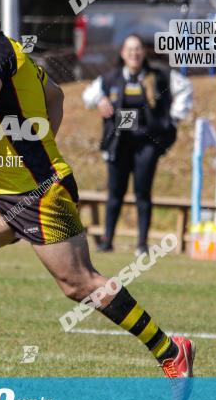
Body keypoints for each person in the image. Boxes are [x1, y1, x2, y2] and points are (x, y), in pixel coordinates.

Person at [0, 0, 194, 400]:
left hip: (41, 193)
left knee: (79, 285)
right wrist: (39, 142)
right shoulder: (12, 54)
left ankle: (171, 350)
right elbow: (56, 96)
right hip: (4, 192)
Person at [82, 35, 192, 255]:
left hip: (146, 143)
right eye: (130, 49)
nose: (134, 53)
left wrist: (174, 118)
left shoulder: (159, 76)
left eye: (138, 49)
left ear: (144, 53)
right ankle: (107, 240)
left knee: (143, 193)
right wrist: (100, 100)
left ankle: (142, 244)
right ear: (123, 53)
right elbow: (88, 94)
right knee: (115, 193)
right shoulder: (111, 78)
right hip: (119, 142)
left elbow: (185, 88)